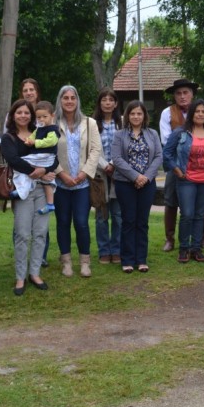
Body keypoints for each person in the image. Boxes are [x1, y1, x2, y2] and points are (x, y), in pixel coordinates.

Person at [1, 99, 57, 296]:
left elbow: (54, 157)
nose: (23, 116)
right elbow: (14, 160)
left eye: (27, 113)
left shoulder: (41, 132)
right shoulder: (9, 138)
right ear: (13, 115)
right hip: (22, 190)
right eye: (19, 112)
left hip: (42, 189)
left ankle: (35, 273)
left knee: (41, 232)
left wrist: (45, 169)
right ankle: (20, 276)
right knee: (23, 234)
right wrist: (38, 171)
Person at [163, 99, 204, 263]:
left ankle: (196, 249)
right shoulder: (180, 132)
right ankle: (184, 249)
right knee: (187, 214)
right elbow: (167, 154)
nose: (201, 114)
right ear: (191, 114)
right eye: (197, 111)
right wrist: (177, 170)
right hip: (186, 179)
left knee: (199, 214)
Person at [54, 85, 102, 278]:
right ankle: (66, 261)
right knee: (63, 222)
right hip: (60, 184)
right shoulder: (52, 122)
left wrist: (84, 173)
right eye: (65, 98)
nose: (69, 101)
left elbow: (96, 150)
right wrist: (61, 174)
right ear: (60, 100)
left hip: (82, 184)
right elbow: (47, 152)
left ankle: (84, 261)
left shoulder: (89, 123)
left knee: (81, 223)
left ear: (77, 100)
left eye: (72, 97)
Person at [159, 78, 204, 251]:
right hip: (175, 165)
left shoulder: (203, 112)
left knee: (200, 204)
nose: (182, 96)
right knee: (170, 201)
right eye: (178, 93)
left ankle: (202, 238)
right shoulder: (167, 113)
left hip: (199, 167)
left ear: (193, 94)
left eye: (186, 93)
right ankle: (170, 239)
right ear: (174, 96)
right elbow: (166, 141)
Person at [111, 100, 163, 273]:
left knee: (142, 222)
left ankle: (141, 259)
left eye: (139, 113)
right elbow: (117, 159)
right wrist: (135, 176)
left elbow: (158, 157)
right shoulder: (119, 135)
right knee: (128, 221)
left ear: (144, 116)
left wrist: (146, 177)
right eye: (132, 113)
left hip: (147, 184)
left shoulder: (152, 134)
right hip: (125, 183)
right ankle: (127, 260)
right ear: (127, 115)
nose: (135, 116)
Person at [11, 101, 59, 214]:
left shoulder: (53, 129)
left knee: (23, 162)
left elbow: (51, 141)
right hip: (39, 157)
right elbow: (32, 136)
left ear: (52, 116)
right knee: (42, 178)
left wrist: (35, 143)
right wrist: (28, 141)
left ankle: (24, 191)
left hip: (46, 156)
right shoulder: (38, 129)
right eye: (39, 117)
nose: (42, 119)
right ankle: (25, 191)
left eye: (45, 116)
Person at [93, 88, 122, 265]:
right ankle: (104, 250)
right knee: (101, 215)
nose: (108, 103)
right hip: (100, 174)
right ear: (100, 103)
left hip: (119, 174)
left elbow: (125, 146)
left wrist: (113, 163)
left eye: (111, 100)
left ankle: (117, 250)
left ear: (116, 103)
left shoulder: (123, 123)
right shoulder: (92, 124)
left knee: (118, 215)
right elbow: (91, 148)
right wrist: (105, 165)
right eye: (104, 100)